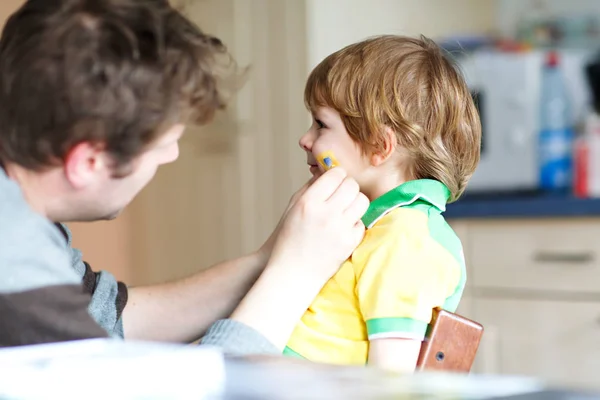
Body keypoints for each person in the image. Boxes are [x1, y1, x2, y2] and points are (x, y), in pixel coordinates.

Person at [0, 0, 369, 353]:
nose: (172, 155)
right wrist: (295, 275)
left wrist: (272, 257)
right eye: (164, 143)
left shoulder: (20, 210)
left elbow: (103, 319)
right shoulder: (16, 261)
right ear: (88, 162)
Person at [283, 35, 481, 371]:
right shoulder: (377, 225)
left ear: (379, 145)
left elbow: (391, 378)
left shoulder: (405, 237)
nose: (305, 140)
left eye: (321, 125)